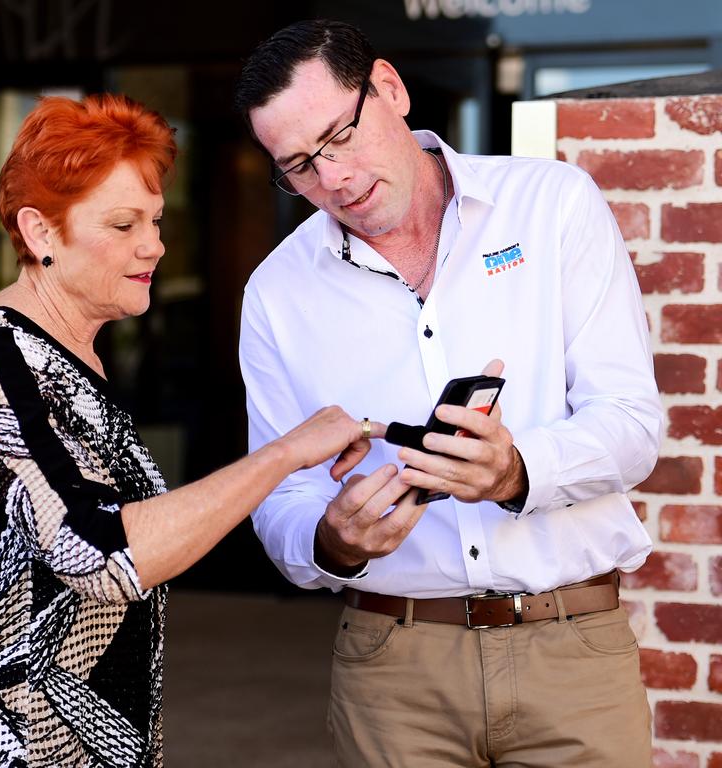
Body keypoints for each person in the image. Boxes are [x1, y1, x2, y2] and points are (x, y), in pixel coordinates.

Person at [0, 93, 392, 768]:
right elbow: (99, 552)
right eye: (122, 223)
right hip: (17, 749)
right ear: (42, 233)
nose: (154, 244)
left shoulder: (71, 359)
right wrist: (284, 455)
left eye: (157, 220)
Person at [234, 19, 663, 768]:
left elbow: (631, 425)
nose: (331, 179)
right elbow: (278, 504)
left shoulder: (552, 204)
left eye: (339, 138)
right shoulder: (275, 294)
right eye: (298, 165)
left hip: (574, 653)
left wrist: (517, 471)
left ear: (390, 90)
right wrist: (332, 540)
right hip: (393, 670)